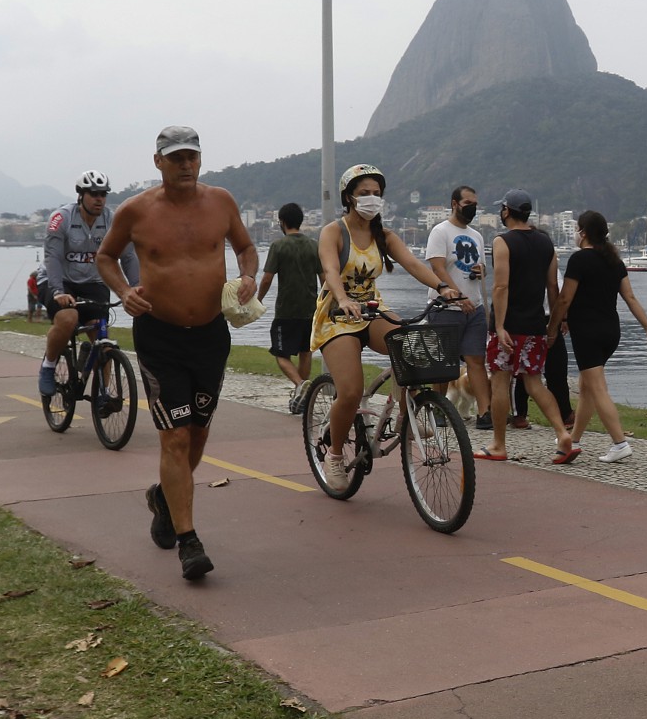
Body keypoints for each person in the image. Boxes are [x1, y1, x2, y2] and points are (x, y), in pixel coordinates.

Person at [95, 126, 257, 582]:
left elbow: (245, 247)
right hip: (159, 337)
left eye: (192, 157)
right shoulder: (134, 210)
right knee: (176, 436)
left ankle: (164, 498)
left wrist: (247, 276)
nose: (186, 164)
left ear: (200, 160)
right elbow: (106, 257)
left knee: (199, 434)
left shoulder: (221, 201)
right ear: (158, 161)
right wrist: (124, 292)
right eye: (176, 157)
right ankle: (189, 541)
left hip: (210, 336)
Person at [311, 164, 470, 490]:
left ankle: (407, 410)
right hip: (337, 314)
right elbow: (329, 270)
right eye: (364, 193)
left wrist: (443, 288)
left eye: (376, 194)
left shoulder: (384, 236)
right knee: (352, 391)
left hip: (371, 308)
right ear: (348, 197)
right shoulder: (333, 232)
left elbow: (413, 264)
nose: (372, 199)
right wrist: (342, 298)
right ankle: (336, 456)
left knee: (410, 346)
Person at [479, 189, 579, 464]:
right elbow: (552, 289)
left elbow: (501, 286)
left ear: (506, 211)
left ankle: (499, 444)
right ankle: (562, 434)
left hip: (509, 325)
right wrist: (553, 326)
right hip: (536, 324)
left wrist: (499, 326)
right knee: (534, 382)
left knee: (500, 380)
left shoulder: (502, 242)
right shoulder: (547, 244)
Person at [555, 210, 647, 463]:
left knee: (597, 387)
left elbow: (565, 298)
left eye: (577, 229)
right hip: (610, 332)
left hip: (587, 333)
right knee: (587, 386)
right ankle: (575, 440)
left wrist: (556, 323)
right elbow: (630, 297)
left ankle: (620, 443)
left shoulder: (579, 260)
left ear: (583, 232)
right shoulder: (614, 261)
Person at [38, 171, 140, 397]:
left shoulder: (112, 221)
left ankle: (103, 392)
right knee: (68, 318)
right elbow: (52, 257)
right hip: (58, 279)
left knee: (101, 336)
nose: (99, 199)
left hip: (92, 281)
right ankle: (49, 366)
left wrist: (136, 288)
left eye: (103, 194)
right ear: (81, 196)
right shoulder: (61, 218)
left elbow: (129, 256)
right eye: (93, 194)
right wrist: (57, 291)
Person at [424, 185, 492, 426]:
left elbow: (481, 265)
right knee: (444, 363)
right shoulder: (440, 232)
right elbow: (438, 268)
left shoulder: (477, 236)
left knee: (476, 361)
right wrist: (456, 295)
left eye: (475, 203)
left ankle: (485, 413)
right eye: (468, 203)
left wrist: (480, 271)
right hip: (445, 308)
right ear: (454, 203)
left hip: (475, 307)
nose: (472, 207)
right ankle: (438, 408)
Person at [257, 201, 322, 406]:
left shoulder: (278, 246)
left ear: (282, 222)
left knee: (280, 353)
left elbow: (267, 278)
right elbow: (324, 278)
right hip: (311, 309)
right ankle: (302, 396)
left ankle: (300, 384)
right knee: (305, 352)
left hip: (286, 310)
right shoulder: (314, 245)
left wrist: (257, 300)